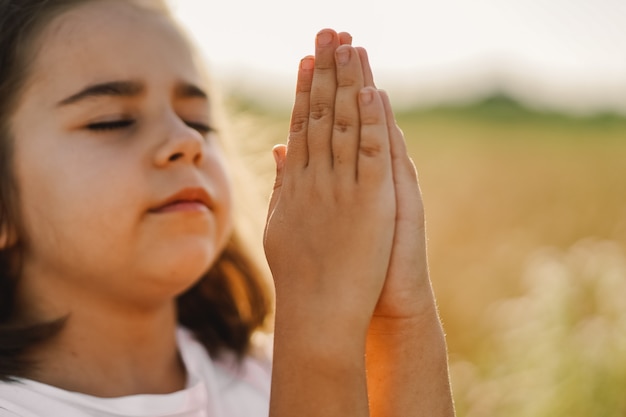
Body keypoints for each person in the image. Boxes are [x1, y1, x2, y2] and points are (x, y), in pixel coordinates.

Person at [0, 0, 455, 416]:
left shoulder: (263, 373)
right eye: (112, 121)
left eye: (199, 120)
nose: (187, 140)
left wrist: (399, 318)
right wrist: (318, 328)